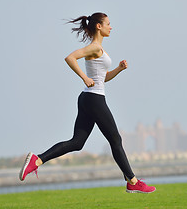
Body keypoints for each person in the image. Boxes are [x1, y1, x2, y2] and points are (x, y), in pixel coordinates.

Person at [19, 12, 156, 194]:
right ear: (99, 26)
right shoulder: (94, 48)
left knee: (77, 142)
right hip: (94, 99)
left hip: (88, 97)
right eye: (108, 23)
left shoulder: (99, 49)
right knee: (116, 140)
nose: (111, 27)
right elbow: (70, 58)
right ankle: (132, 181)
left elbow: (102, 78)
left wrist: (119, 69)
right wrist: (84, 77)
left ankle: (37, 160)